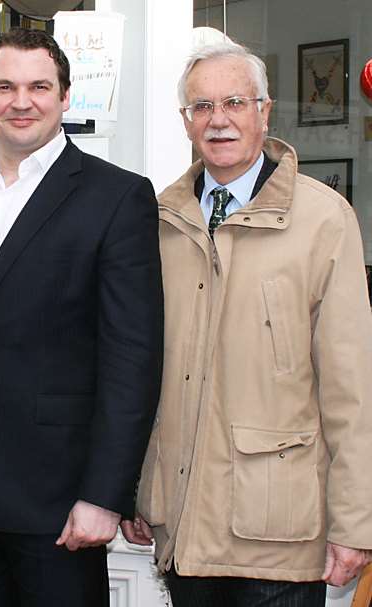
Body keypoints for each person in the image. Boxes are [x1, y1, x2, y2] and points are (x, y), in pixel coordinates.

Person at [122, 39, 372, 606]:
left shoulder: (323, 220)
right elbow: (138, 370)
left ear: (265, 111)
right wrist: (137, 487)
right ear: (186, 122)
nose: (218, 121)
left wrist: (356, 522)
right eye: (201, 107)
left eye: (235, 102)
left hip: (279, 532)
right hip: (182, 522)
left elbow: (352, 388)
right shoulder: (158, 221)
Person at [0, 28, 164, 607]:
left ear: (65, 97)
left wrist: (105, 494)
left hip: (57, 502)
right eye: (4, 86)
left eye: (39, 86)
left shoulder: (118, 196)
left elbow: (133, 356)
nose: (21, 100)